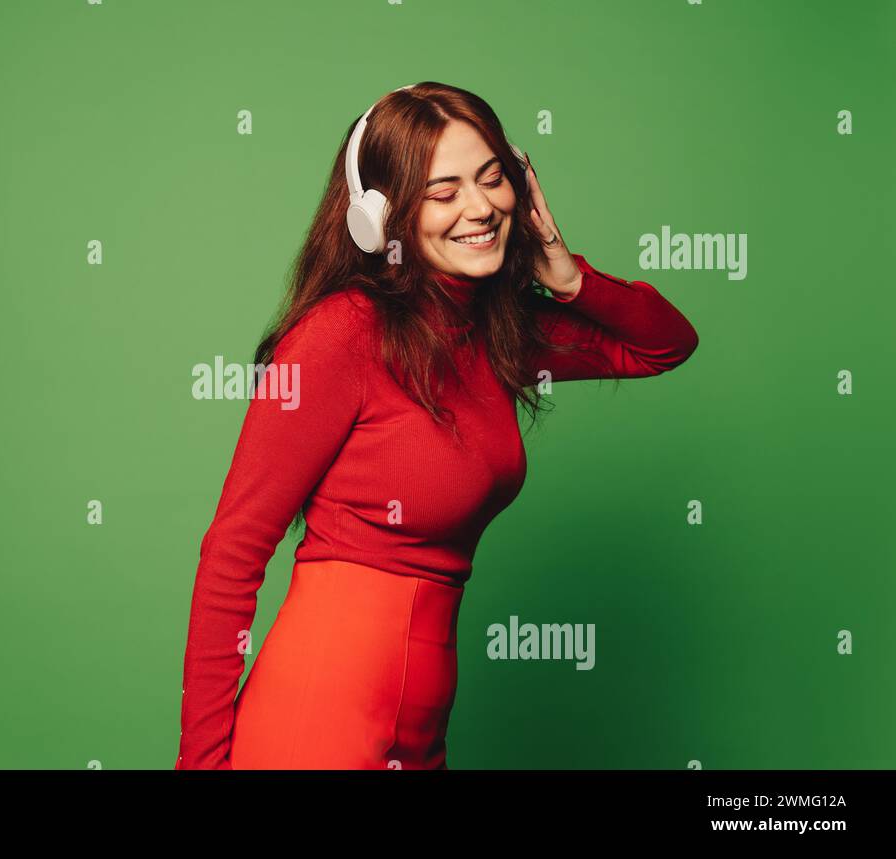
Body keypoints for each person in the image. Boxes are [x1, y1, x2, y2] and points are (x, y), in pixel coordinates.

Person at [175, 82, 699, 769]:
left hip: (421, 732)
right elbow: (232, 552)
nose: (480, 207)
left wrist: (569, 276)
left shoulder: (499, 330)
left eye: (492, 180)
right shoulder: (340, 337)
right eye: (443, 192)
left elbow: (663, 345)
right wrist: (199, 766)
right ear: (379, 216)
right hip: (319, 723)